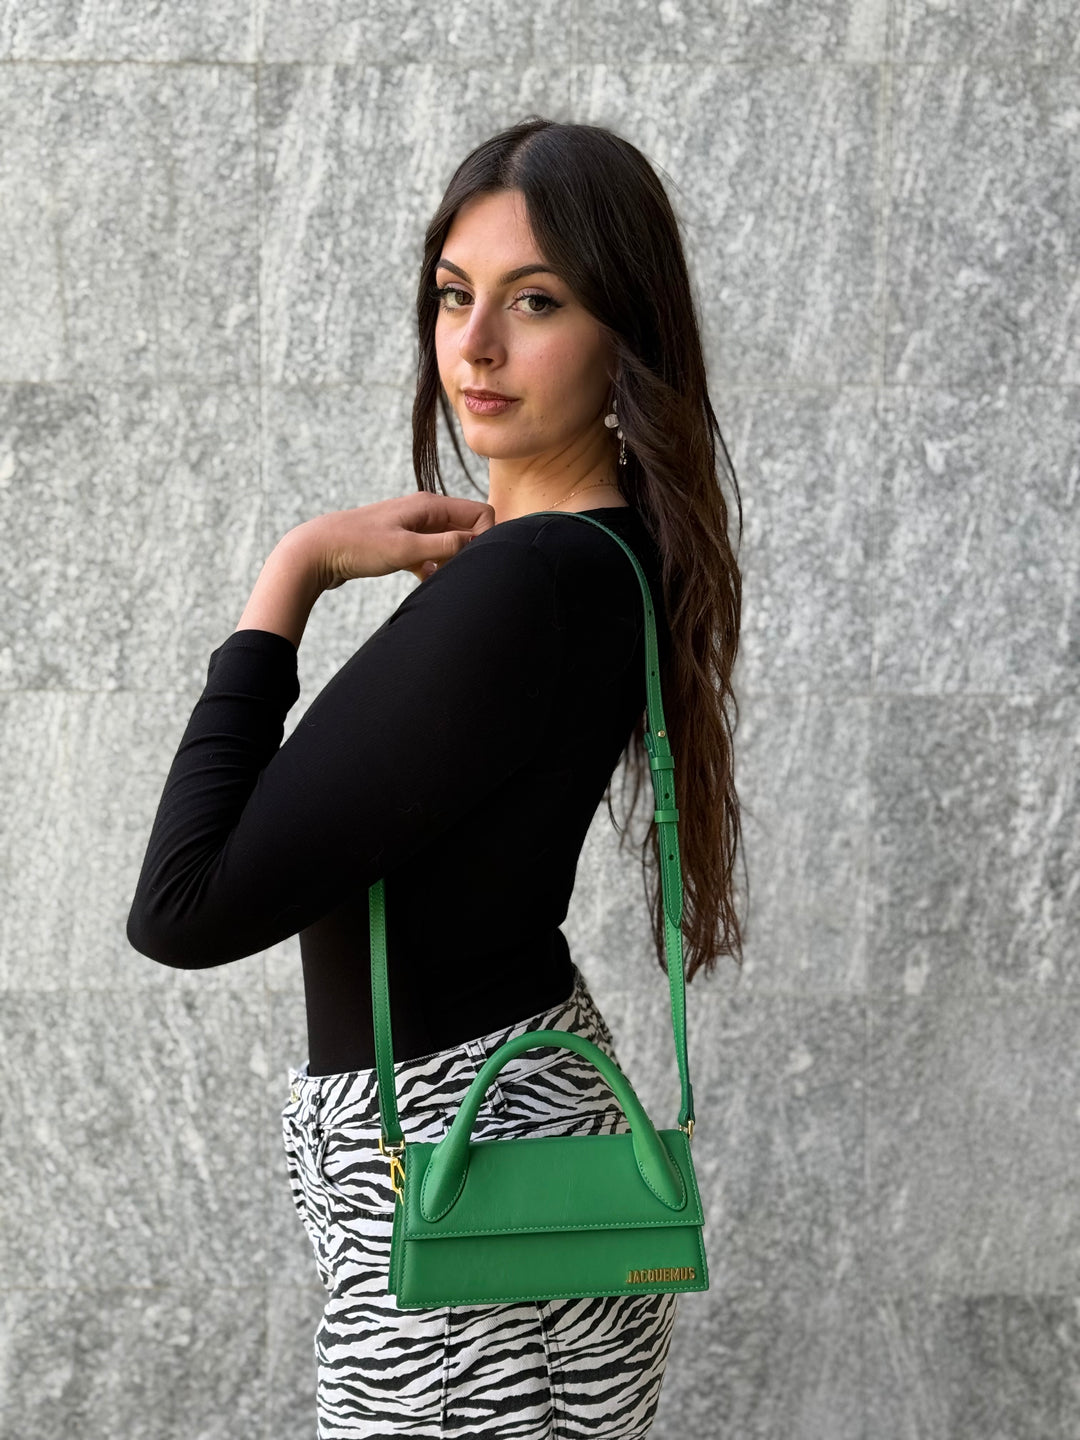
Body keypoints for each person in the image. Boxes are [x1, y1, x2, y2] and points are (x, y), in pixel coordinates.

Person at [126, 116, 744, 1439]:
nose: (475, 345)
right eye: (456, 296)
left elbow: (184, 905)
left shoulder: (533, 581)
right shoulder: (605, 557)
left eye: (537, 301)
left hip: (471, 1210)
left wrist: (290, 576)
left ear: (623, 332)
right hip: (499, 1161)